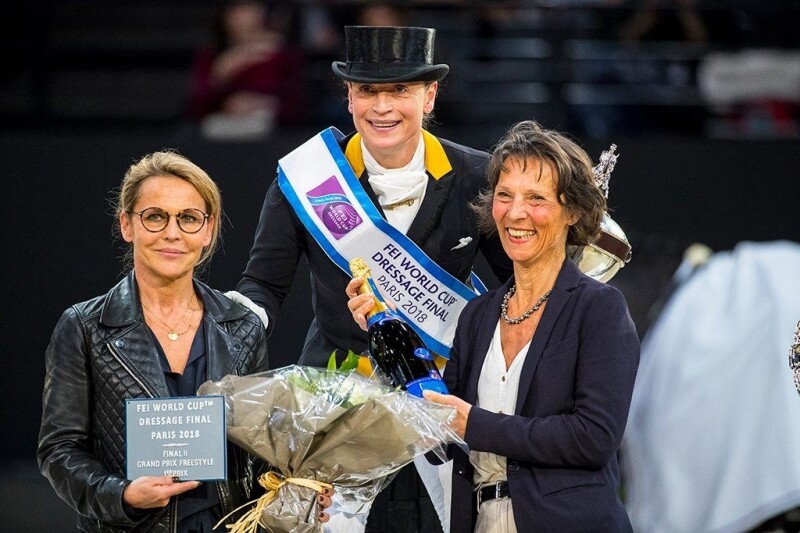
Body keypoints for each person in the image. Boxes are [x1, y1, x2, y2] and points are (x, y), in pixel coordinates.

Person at [233, 24, 512, 533]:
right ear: (348, 97)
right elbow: (264, 286)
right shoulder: (308, 178)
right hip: (333, 411)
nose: (382, 108)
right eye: (367, 91)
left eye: (400, 91)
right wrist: (227, 326)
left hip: (435, 405)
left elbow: (516, 288)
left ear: (429, 96)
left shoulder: (478, 177)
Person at [36, 151, 331, 532]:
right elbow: (59, 451)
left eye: (189, 218)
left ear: (208, 231)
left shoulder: (242, 326)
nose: (172, 233)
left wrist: (296, 486)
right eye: (155, 216)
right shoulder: (84, 326)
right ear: (127, 224)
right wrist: (122, 494)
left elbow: (257, 451)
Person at [414, 120, 640, 532]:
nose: (515, 213)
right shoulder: (477, 316)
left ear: (572, 211)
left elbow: (593, 437)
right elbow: (447, 439)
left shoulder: (600, 308)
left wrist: (476, 425)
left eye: (536, 198)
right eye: (504, 195)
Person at [188, 0, 305, 138]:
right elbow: (197, 106)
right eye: (237, 11)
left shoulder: (280, 53)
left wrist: (265, 103)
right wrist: (219, 75)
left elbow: (296, 102)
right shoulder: (211, 56)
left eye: (250, 9)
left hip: (269, 126)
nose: (244, 18)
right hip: (222, 125)